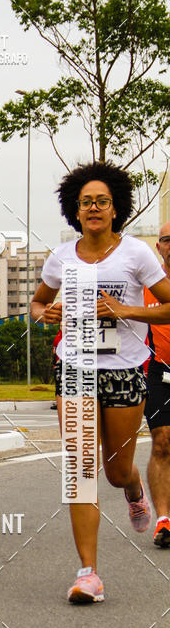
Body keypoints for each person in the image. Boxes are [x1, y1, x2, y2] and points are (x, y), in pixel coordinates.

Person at [31, 161, 170, 603]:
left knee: (113, 471)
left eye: (102, 201)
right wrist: (44, 315)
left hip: (125, 370)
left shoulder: (137, 255)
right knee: (80, 467)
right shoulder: (61, 257)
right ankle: (88, 573)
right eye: (86, 201)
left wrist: (128, 311)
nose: (94, 208)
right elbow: (37, 304)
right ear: (76, 209)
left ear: (115, 210)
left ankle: (132, 486)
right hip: (73, 367)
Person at [144, 222, 170, 548]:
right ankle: (164, 520)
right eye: (167, 239)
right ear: (159, 247)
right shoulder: (145, 286)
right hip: (160, 373)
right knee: (162, 443)